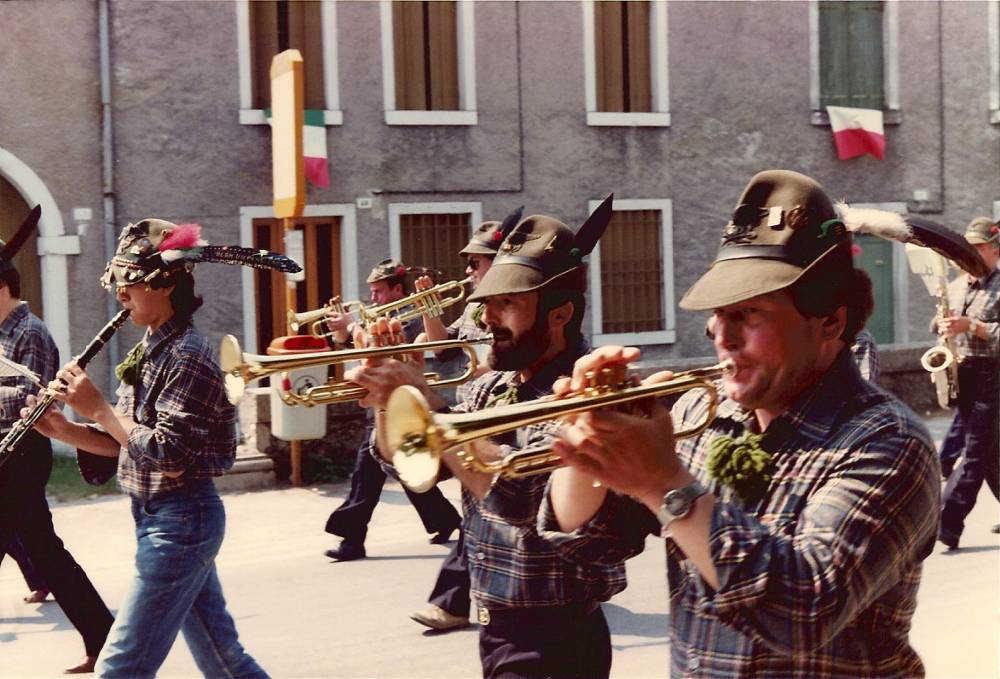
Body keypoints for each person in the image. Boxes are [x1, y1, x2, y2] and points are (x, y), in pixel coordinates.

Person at [545, 170, 940, 677]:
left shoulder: (887, 443)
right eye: (718, 312)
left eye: (749, 313)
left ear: (830, 323)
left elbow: (803, 610)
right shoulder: (696, 415)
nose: (720, 334)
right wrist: (589, 439)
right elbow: (588, 550)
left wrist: (663, 483)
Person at [351, 200, 643, 679]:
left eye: (507, 303)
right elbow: (412, 466)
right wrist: (389, 397)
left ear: (560, 313)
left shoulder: (587, 393)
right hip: (498, 626)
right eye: (485, 303)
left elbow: (525, 497)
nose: (488, 319)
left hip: (557, 635)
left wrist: (424, 405)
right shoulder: (492, 386)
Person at [29, 219, 273, 678]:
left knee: (120, 666)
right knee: (225, 660)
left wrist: (98, 407)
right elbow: (129, 442)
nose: (120, 296)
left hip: (182, 520)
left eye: (128, 284)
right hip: (161, 516)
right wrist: (63, 429)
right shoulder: (154, 349)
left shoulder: (189, 356)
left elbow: (167, 453)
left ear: (163, 286)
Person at [0, 211, 113, 675]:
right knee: (46, 552)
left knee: (46, 552)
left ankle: (104, 639)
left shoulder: (31, 333)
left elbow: (34, 398)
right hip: (7, 457)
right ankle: (103, 638)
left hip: (23, 457)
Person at [408, 216, 515, 632]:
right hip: (473, 408)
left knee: (486, 508)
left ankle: (451, 602)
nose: (468, 271)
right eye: (468, 263)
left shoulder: (514, 304)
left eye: (476, 263)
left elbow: (493, 361)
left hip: (501, 410)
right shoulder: (474, 305)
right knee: (483, 510)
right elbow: (445, 349)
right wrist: (428, 312)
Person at [322, 258, 461, 561]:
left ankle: (352, 540)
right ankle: (444, 519)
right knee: (403, 474)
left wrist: (354, 327)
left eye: (379, 292)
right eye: (371, 292)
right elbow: (367, 358)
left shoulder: (411, 319)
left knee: (367, 475)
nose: (372, 298)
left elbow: (399, 356)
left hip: (403, 410)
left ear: (398, 290)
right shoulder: (379, 317)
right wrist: (344, 337)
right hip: (382, 409)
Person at [935, 217, 1000, 550]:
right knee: (990, 453)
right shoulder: (958, 285)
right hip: (965, 373)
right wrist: (941, 324)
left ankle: (946, 524)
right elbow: (943, 323)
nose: (971, 254)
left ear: (994, 249)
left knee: (974, 452)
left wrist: (971, 326)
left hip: (994, 374)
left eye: (978, 248)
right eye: (968, 248)